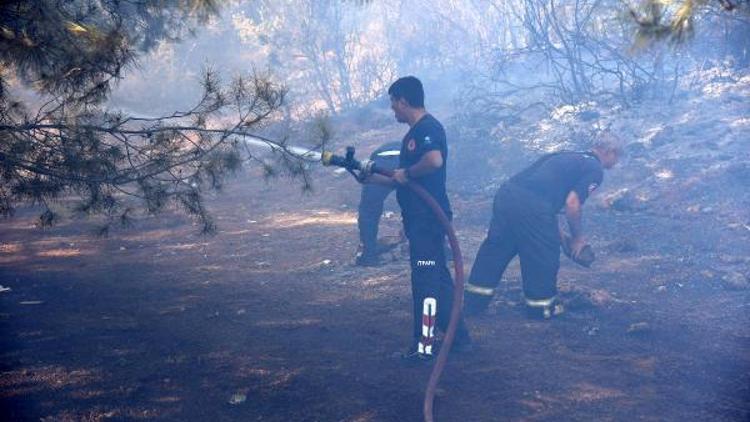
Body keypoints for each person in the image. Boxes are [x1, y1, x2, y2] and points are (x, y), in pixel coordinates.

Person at [364, 76, 471, 360]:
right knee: (438, 277)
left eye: (393, 104)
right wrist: (369, 178)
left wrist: (408, 173)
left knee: (425, 279)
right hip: (421, 221)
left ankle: (424, 347)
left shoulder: (427, 129)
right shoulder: (413, 135)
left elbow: (434, 161)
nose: (393, 111)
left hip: (428, 222)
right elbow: (401, 181)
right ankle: (458, 338)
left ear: (403, 100)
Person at [464, 140, 622, 319]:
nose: (616, 163)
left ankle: (473, 302)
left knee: (498, 247)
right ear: (610, 152)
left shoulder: (565, 154)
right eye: (618, 157)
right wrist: (578, 238)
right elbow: (572, 203)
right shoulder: (594, 169)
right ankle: (541, 308)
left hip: (507, 196)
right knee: (542, 254)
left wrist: (563, 239)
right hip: (532, 206)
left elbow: (544, 201)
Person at [355, 142, 401, 267]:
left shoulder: (379, 156)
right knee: (418, 206)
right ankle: (431, 248)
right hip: (402, 160)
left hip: (378, 162)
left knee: (368, 211)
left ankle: (369, 255)